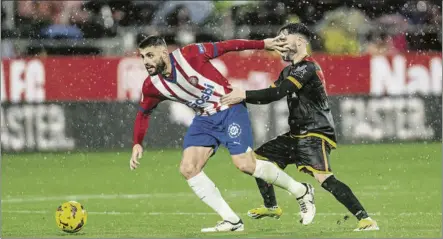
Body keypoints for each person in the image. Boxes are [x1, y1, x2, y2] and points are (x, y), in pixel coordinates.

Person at [129, 35, 316, 232]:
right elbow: (143, 113)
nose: (146, 62)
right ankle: (232, 220)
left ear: (164, 53)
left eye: (150, 55)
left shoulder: (190, 55)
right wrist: (137, 143)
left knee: (245, 164)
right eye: (142, 57)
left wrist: (263, 44)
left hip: (229, 107)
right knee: (188, 168)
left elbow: (228, 46)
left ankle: (301, 191)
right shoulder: (152, 86)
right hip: (204, 120)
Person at [220, 23, 379, 232]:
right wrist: (238, 98)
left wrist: (245, 94)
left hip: (315, 132)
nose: (281, 43)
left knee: (325, 178)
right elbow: (268, 96)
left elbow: (279, 93)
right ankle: (272, 206)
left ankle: (365, 219)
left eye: (285, 38)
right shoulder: (288, 71)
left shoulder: (307, 67)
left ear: (300, 41)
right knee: (256, 161)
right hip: (297, 134)